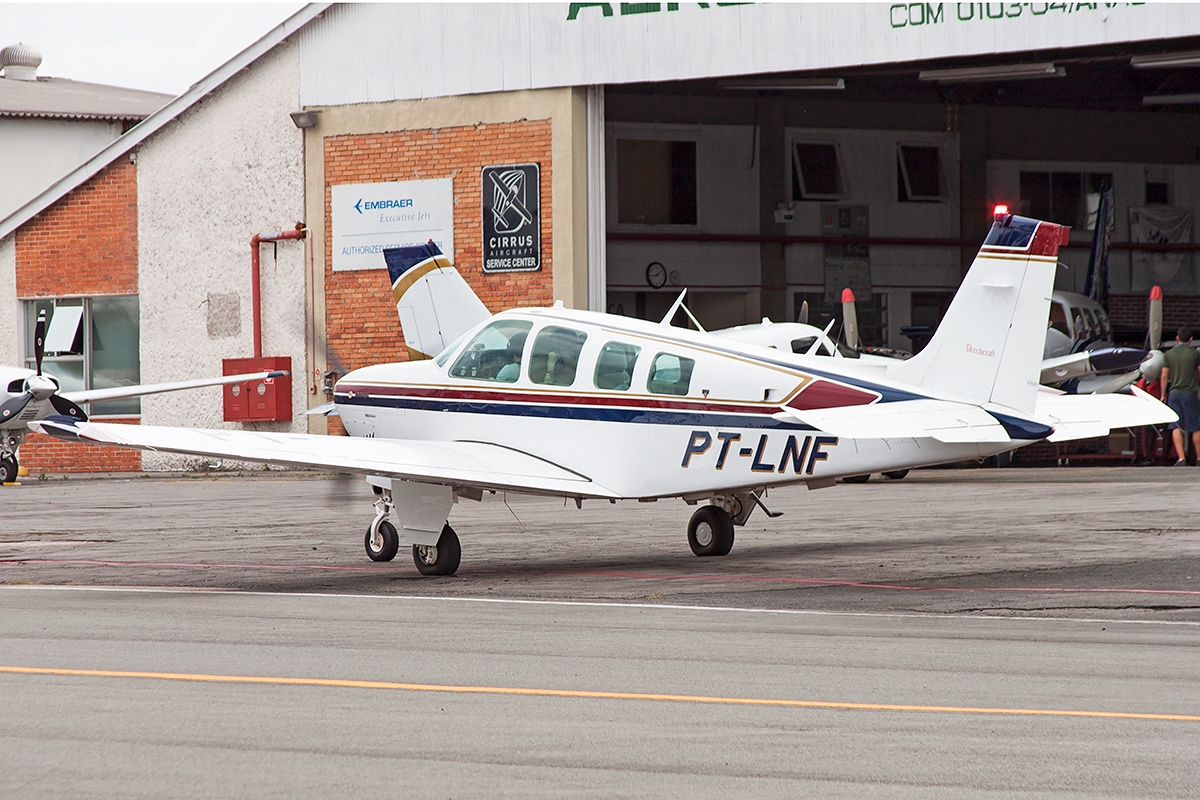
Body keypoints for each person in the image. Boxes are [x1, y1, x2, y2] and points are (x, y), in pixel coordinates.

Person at [1159, 327, 1200, 465]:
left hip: (1174, 394)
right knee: (1195, 426)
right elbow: (1199, 371)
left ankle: (1181, 458)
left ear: (1177, 338)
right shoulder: (1195, 354)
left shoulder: (1169, 354)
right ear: (1190, 339)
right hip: (1190, 392)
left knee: (1175, 426)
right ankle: (1199, 457)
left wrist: (1163, 393)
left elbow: (1164, 375)